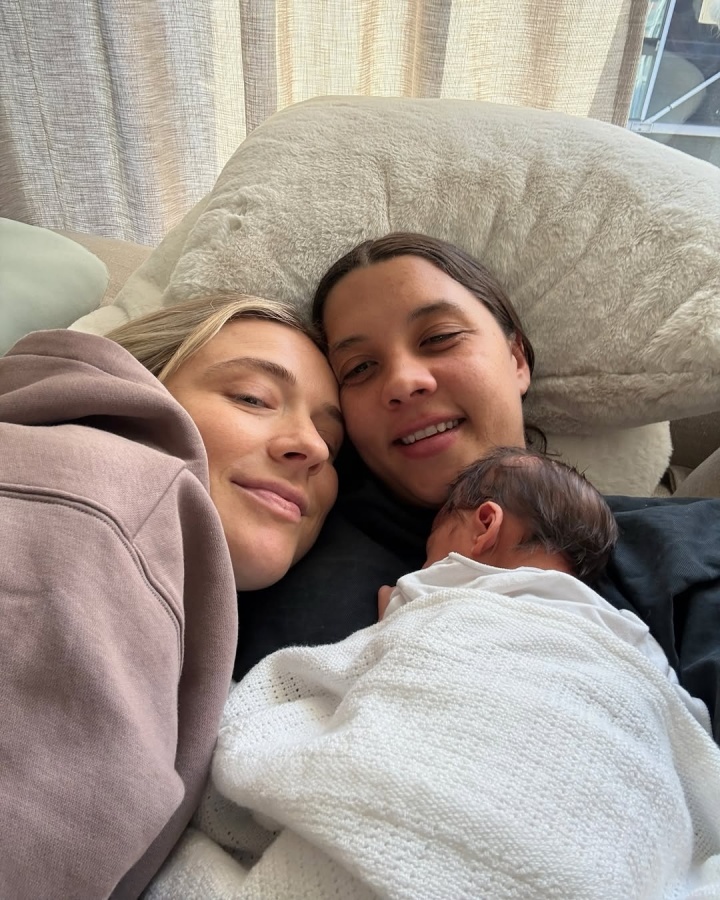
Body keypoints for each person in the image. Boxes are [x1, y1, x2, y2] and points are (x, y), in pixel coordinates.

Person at [145, 453, 720, 899]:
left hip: (425, 804)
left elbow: (307, 682)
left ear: (483, 525)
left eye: (433, 542)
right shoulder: (628, 636)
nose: (424, 564)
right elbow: (685, 729)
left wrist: (406, 616)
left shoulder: (451, 594)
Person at [233, 232, 720, 747]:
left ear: (516, 359)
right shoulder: (269, 541)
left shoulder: (693, 542)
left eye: (439, 337)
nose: (403, 381)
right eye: (360, 368)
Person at [0, 294, 343, 900]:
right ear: (139, 388)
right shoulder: (103, 496)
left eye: (333, 443)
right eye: (253, 398)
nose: (313, 448)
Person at [378, 446, 709, 731]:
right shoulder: (620, 624)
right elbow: (682, 718)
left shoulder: (452, 582)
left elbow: (395, 642)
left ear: (485, 525)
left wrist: (392, 604)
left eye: (430, 548)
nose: (424, 566)